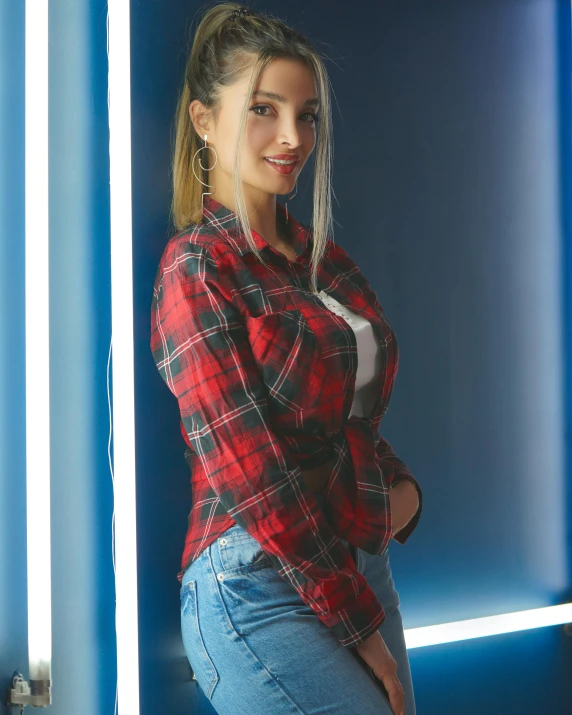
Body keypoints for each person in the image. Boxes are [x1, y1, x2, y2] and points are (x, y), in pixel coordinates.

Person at [150, 4, 423, 714]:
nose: (291, 137)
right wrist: (357, 623)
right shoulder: (198, 269)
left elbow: (350, 419)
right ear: (205, 120)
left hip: (361, 564)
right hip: (256, 579)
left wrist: (404, 491)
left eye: (307, 115)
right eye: (265, 109)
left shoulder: (327, 266)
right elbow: (251, 470)